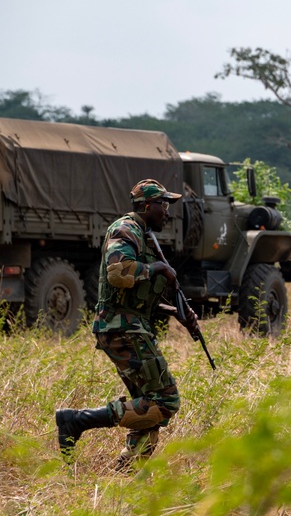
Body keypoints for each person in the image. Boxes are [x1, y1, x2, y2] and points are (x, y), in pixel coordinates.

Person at [54, 179, 198, 470]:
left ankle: (128, 471)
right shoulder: (125, 229)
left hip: (129, 325)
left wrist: (179, 313)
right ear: (147, 205)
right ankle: (77, 421)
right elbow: (118, 274)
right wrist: (158, 268)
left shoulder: (144, 235)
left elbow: (136, 295)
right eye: (163, 204)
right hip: (122, 328)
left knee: (147, 406)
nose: (168, 212)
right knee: (165, 401)